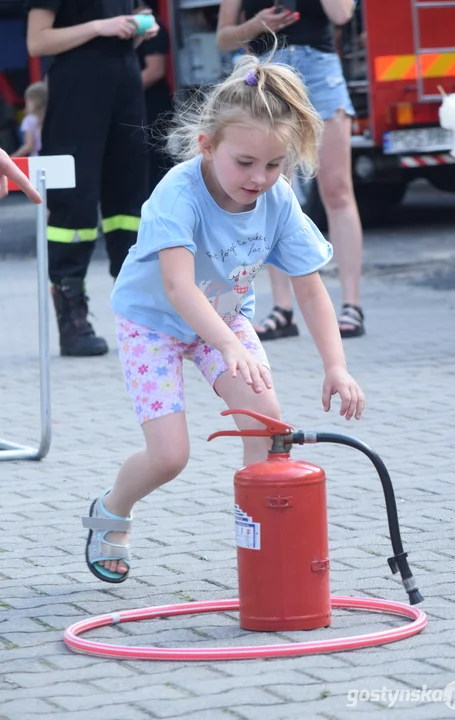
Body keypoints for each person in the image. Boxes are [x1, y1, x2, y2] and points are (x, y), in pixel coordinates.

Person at [81, 52, 366, 583]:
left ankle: (265, 559)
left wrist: (337, 365)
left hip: (224, 320)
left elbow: (309, 289)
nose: (260, 178)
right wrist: (231, 346)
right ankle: (112, 510)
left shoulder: (277, 199)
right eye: (245, 163)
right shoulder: (178, 193)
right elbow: (177, 286)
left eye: (275, 165)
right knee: (170, 456)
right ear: (206, 145)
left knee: (266, 428)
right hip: (155, 324)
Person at [217, 0, 365, 340]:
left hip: (319, 69)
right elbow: (224, 38)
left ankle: (352, 304)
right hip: (268, 71)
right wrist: (257, 23)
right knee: (270, 194)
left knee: (338, 190)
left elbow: (341, 15)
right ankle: (282, 308)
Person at [26, 2, 159, 358]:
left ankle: (138, 314)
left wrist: (136, 29)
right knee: (74, 203)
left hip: (125, 87)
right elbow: (36, 42)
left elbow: (116, 34)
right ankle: (73, 321)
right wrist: (101, 26)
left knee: (129, 201)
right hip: (76, 94)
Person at [136, 11, 174, 193]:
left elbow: (155, 70)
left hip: (153, 108)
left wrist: (119, 91)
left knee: (157, 162)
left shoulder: (150, 26)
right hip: (135, 106)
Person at [11, 81, 48, 158]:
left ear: (34, 102)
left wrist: (12, 158)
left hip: (36, 159)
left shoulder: (29, 120)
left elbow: (29, 145)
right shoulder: (48, 118)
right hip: (51, 156)